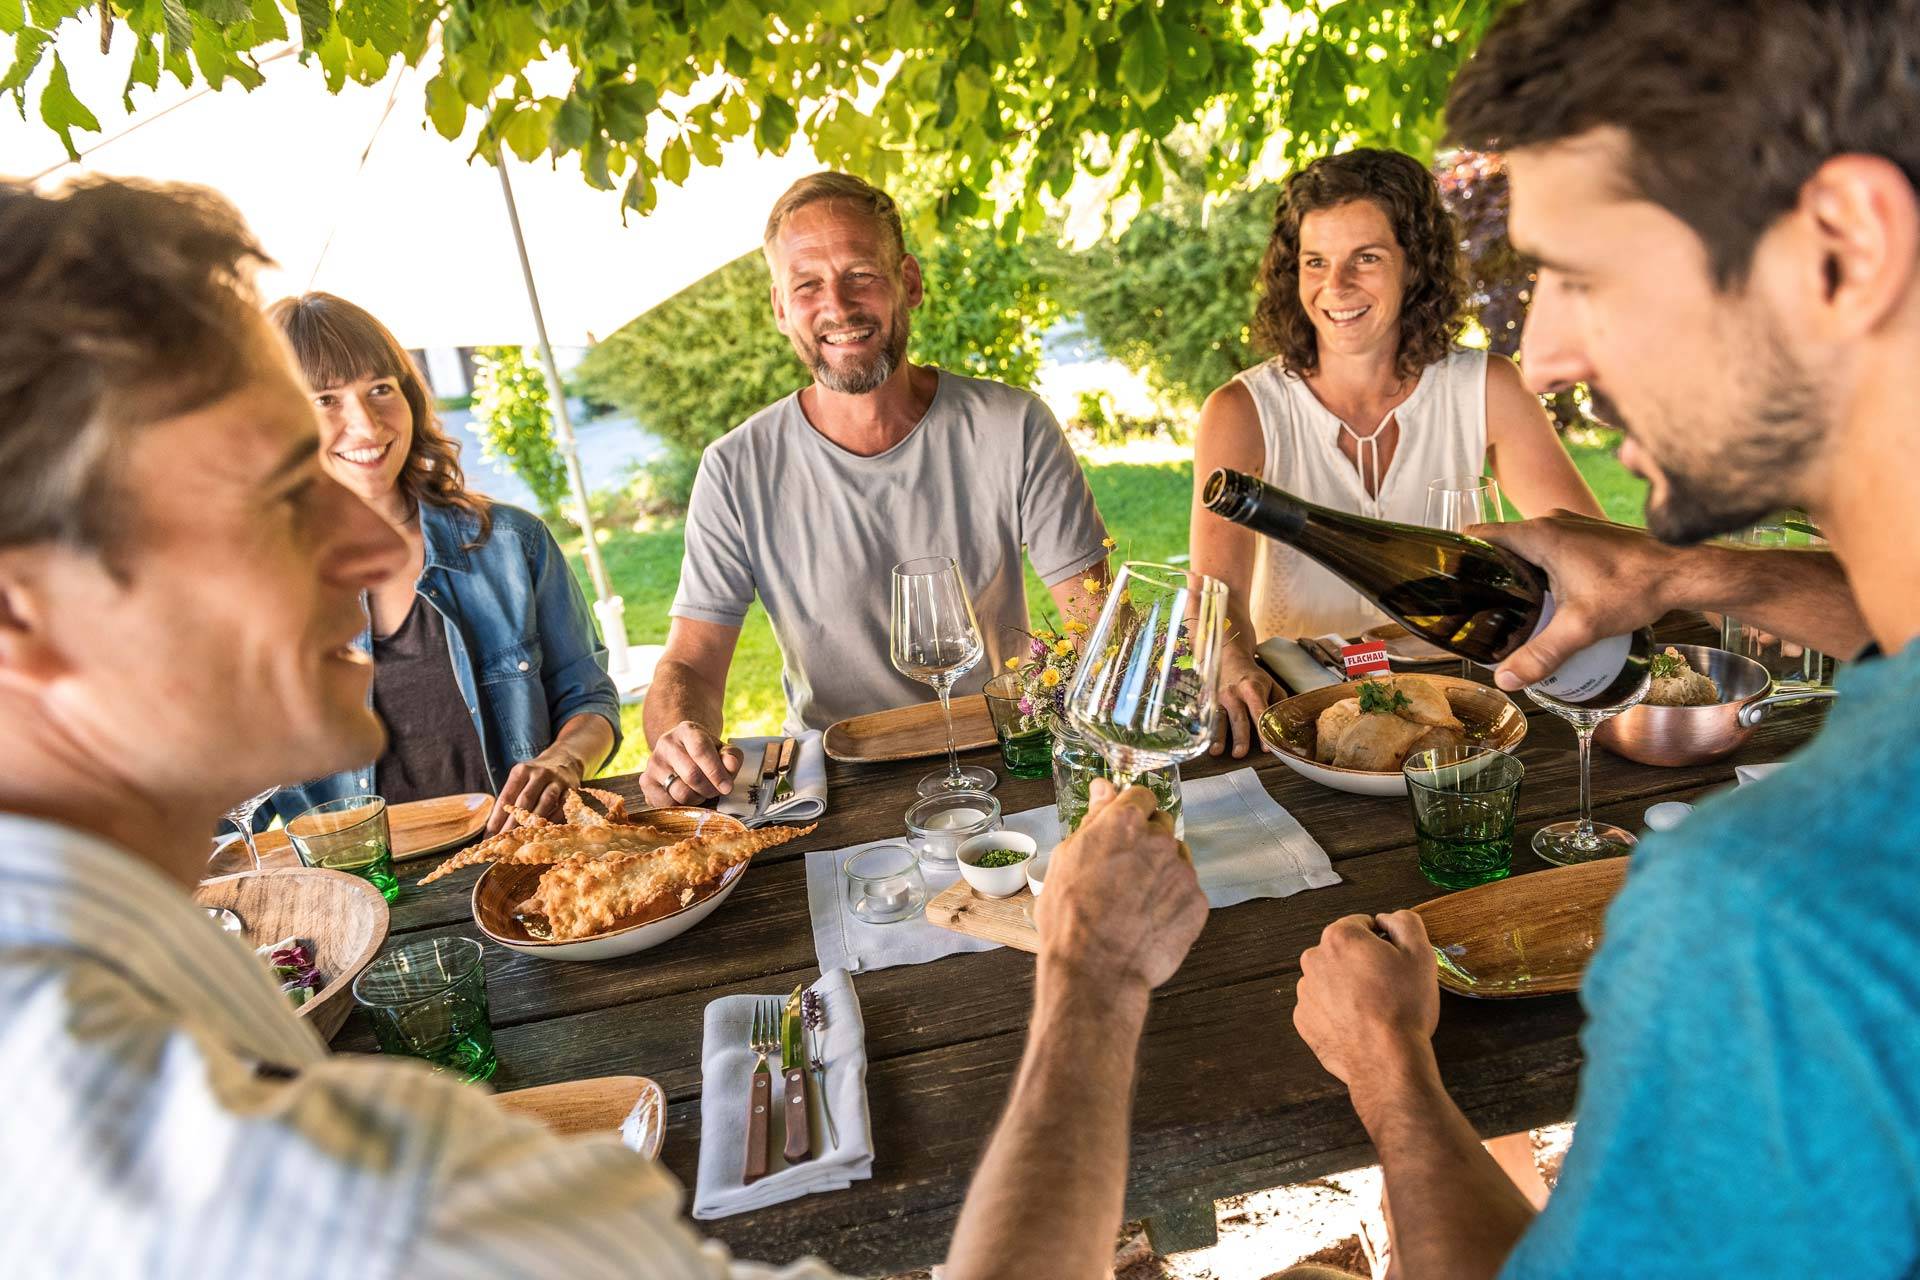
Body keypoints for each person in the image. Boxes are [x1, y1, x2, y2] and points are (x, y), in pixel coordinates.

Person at [0, 176, 1207, 1280]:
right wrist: (1092, 975)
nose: (373, 546)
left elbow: (1088, 614)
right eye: (280, 486)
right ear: (28, 605)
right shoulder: (277, 1172)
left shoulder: (146, 1009)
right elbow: (683, 661)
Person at [1291, 2, 1920, 1276]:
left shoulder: (1769, 915)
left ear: (1844, 249)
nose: (1550, 345)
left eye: (1585, 274)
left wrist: (1390, 1074)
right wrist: (1683, 571)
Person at [641, 171, 1110, 808]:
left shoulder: (1014, 425)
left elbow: (1096, 621)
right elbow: (691, 664)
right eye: (807, 284)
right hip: (830, 783)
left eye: (861, 273)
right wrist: (678, 735)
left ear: (908, 283)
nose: (837, 305)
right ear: (781, 308)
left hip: (997, 759)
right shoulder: (736, 467)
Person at [1190, 147, 1605, 759]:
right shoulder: (1242, 410)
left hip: (1466, 708)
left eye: (1367, 258)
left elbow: (1590, 549)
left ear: (1416, 265)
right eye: (1315, 262)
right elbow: (1215, 600)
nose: (1336, 287)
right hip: (1308, 720)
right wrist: (1228, 656)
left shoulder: (1486, 387)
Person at [264, 293, 619, 834]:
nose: (366, 425)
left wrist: (564, 759)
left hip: (523, 870)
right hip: (361, 900)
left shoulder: (511, 543)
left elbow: (590, 699)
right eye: (325, 400)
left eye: (380, 389)